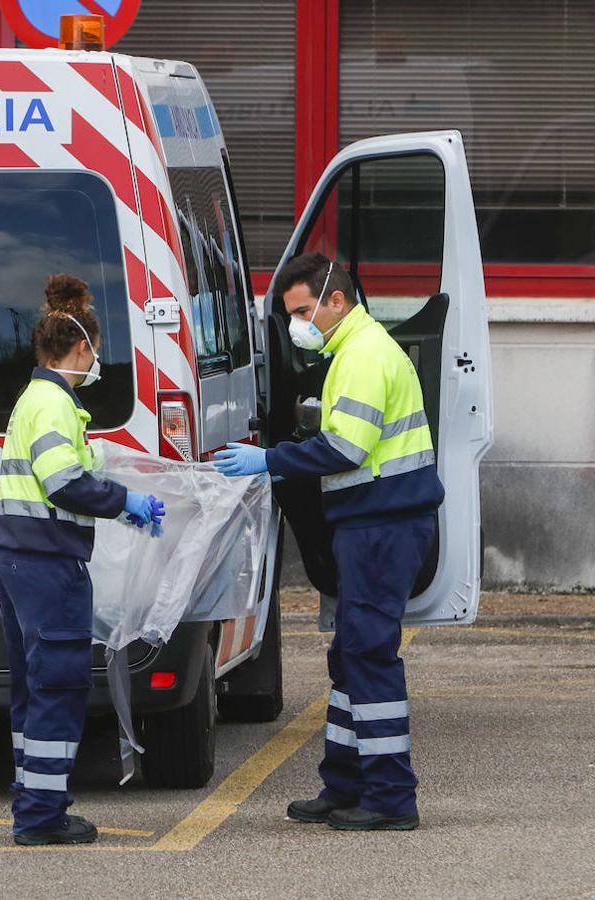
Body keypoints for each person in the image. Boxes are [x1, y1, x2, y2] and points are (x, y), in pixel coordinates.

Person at [213, 252, 443, 831]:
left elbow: (346, 449)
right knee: (349, 659)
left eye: (300, 310)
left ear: (334, 300)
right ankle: (343, 786)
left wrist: (270, 460)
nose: (297, 324)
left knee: (367, 655)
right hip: (374, 524)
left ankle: (390, 800)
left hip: (381, 528)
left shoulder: (364, 356)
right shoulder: (356, 350)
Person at [0, 274, 164, 846]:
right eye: (98, 349)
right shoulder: (56, 404)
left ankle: (33, 802)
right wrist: (124, 502)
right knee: (58, 684)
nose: (98, 360)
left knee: (33, 687)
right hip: (46, 564)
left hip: (17, 558)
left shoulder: (31, 400)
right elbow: (63, 482)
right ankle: (42, 817)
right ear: (81, 347)